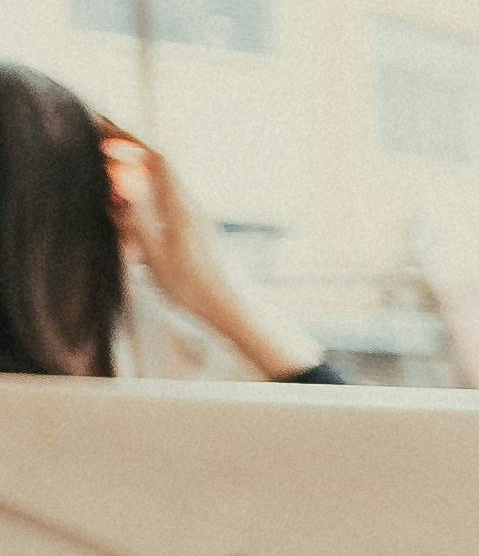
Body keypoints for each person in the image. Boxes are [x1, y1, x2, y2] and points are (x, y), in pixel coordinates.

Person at [0, 66, 331, 381]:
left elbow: (363, 432)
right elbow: (363, 434)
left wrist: (215, 296)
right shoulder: (166, 365)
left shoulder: (162, 351)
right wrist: (217, 294)